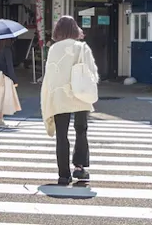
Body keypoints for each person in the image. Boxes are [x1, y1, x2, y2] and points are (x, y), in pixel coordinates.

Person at [41, 15, 98, 186]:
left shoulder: (53, 49)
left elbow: (49, 76)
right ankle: (79, 167)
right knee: (81, 130)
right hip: (80, 94)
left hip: (59, 95)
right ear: (75, 29)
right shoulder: (82, 48)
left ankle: (63, 175)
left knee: (62, 135)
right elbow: (92, 72)